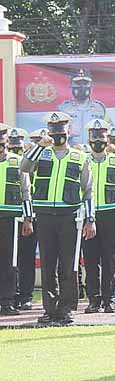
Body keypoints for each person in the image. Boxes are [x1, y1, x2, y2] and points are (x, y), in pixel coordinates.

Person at [21, 111, 97, 325]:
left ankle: (65, 308)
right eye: (53, 129)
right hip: (44, 216)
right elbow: (24, 168)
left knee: (68, 265)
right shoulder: (41, 153)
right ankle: (49, 309)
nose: (57, 133)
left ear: (69, 131)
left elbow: (89, 191)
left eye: (61, 129)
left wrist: (90, 219)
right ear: (49, 132)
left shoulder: (79, 157)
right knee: (47, 264)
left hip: (69, 216)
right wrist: (40, 146)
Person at [81, 119, 115, 314]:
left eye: (101, 137)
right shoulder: (82, 159)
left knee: (110, 259)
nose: (97, 140)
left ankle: (109, 299)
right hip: (89, 215)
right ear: (89, 139)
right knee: (91, 259)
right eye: (94, 137)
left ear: (107, 139)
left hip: (111, 215)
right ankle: (93, 300)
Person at [8, 127, 37, 311]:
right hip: (12, 215)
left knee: (26, 257)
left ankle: (26, 295)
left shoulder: (28, 162)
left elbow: (28, 191)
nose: (15, 146)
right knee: (11, 259)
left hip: (31, 214)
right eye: (12, 143)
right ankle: (13, 293)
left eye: (19, 143)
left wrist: (29, 217)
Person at [0, 124, 25, 316]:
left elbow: (26, 191)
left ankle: (7, 301)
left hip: (11, 216)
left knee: (9, 262)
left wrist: (28, 217)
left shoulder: (18, 162)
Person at [58, 68, 107, 145]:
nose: (82, 86)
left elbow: (109, 131)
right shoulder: (63, 109)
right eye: (78, 83)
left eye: (85, 83)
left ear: (91, 85)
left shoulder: (100, 108)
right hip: (71, 152)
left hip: (94, 151)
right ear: (71, 85)